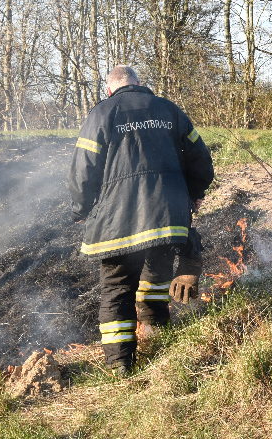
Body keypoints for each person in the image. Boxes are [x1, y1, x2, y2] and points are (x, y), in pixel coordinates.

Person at [68, 65, 214, 375]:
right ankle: (158, 334)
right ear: (139, 84)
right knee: (156, 276)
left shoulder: (102, 113)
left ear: (110, 90)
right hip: (166, 215)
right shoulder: (168, 109)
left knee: (117, 288)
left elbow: (84, 168)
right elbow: (200, 156)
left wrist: (81, 209)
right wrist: (195, 191)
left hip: (117, 221)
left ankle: (121, 365)